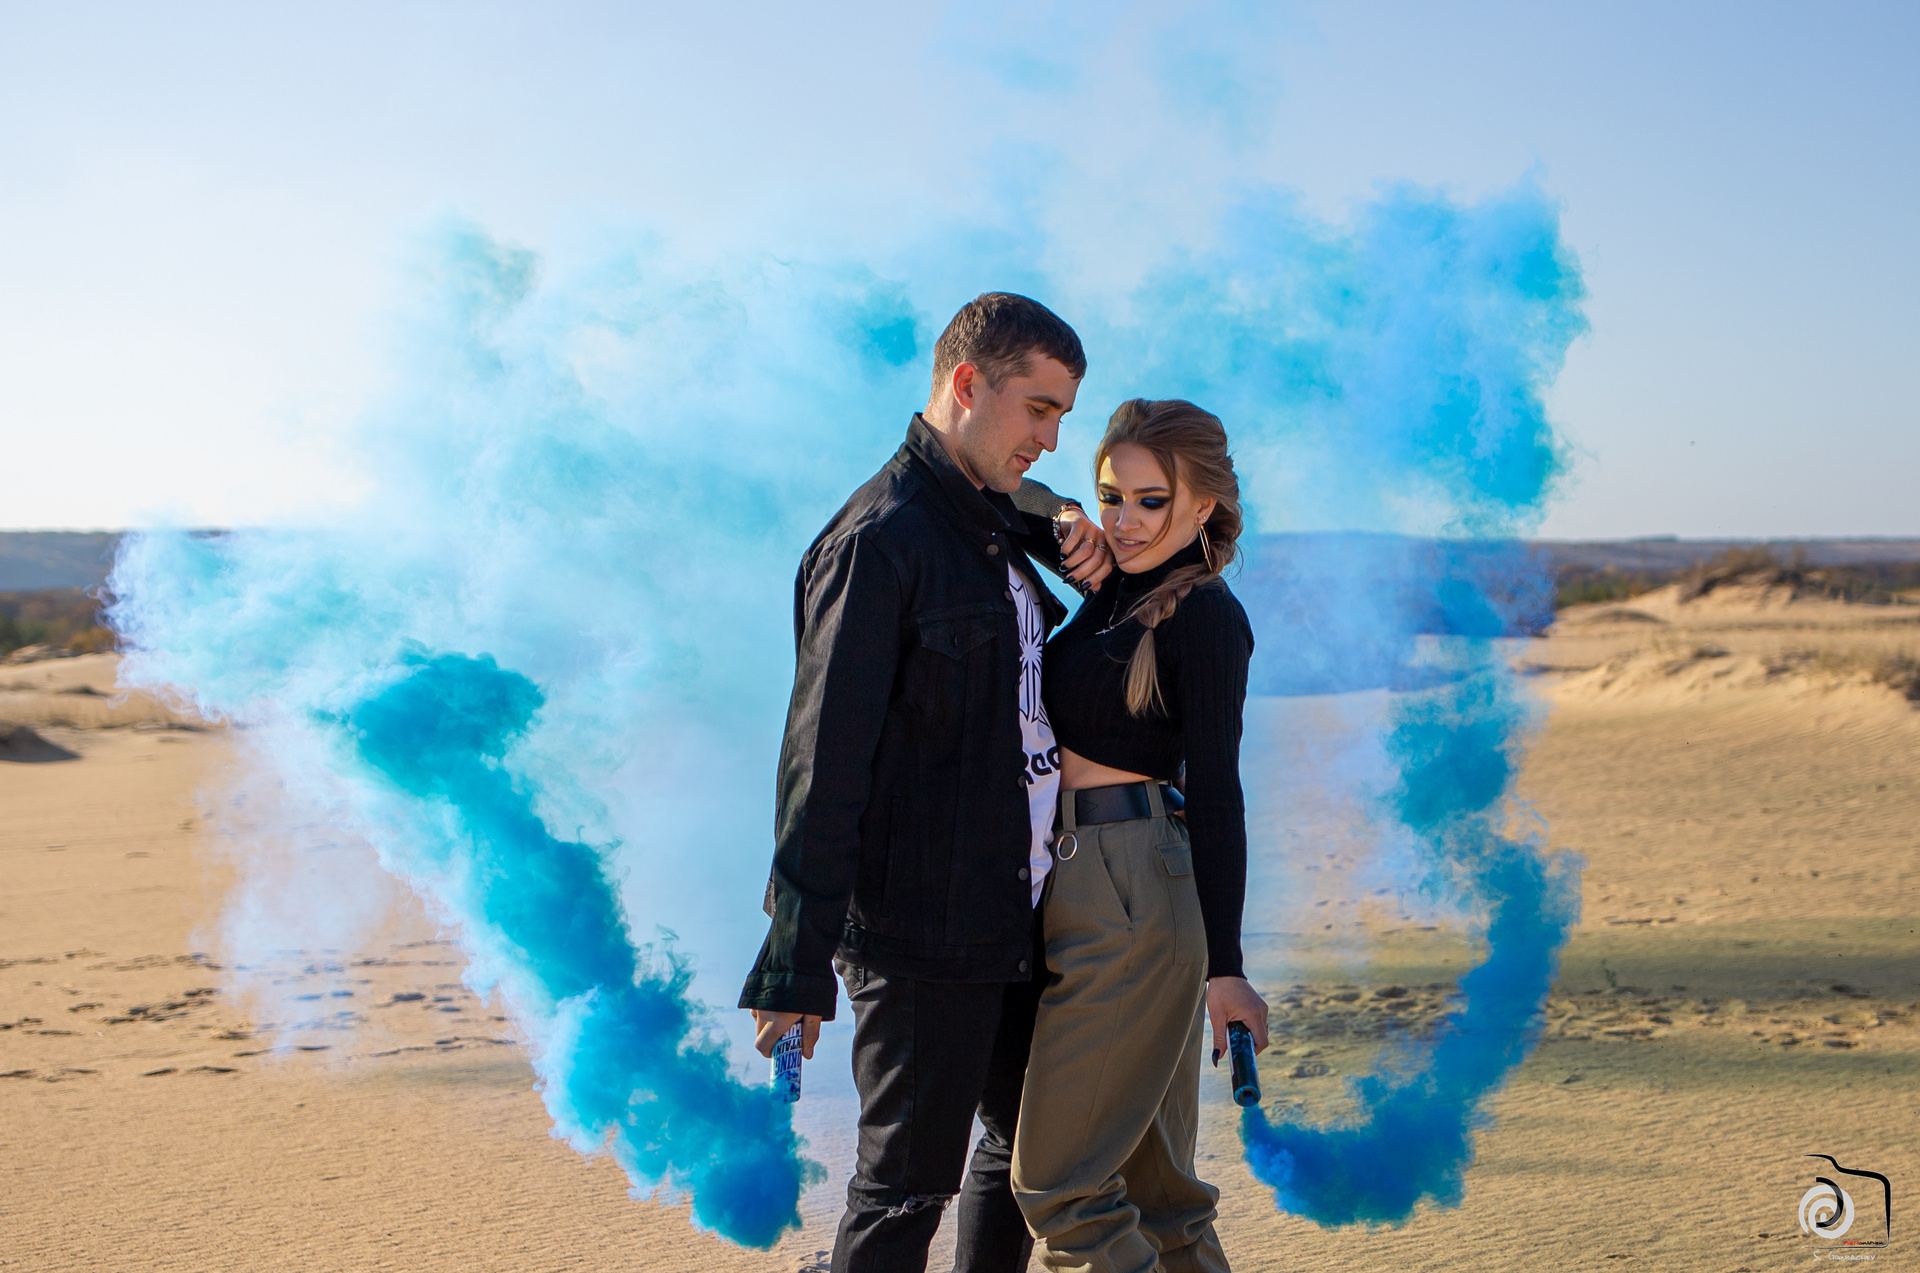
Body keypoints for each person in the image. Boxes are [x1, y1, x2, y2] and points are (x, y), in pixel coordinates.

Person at [738, 292, 1114, 1273]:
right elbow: (822, 767)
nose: (1050, 437)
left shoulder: (992, 519)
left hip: (1014, 912)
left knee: (1028, 1153)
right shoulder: (879, 541)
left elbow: (1023, 505)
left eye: (1063, 416)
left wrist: (1058, 513)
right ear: (968, 384)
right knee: (905, 1187)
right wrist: (793, 964)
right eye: (1039, 409)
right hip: (918, 930)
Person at [1012, 398, 1270, 1273]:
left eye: (1150, 501)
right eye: (1110, 495)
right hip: (1083, 875)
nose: (1124, 521)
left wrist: (1228, 965)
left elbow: (1221, 792)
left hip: (1134, 890)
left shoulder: (1207, 617)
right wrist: (1066, 517)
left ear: (1204, 506)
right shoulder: (1114, 584)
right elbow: (997, 492)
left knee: (1061, 1188)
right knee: (1160, 1199)